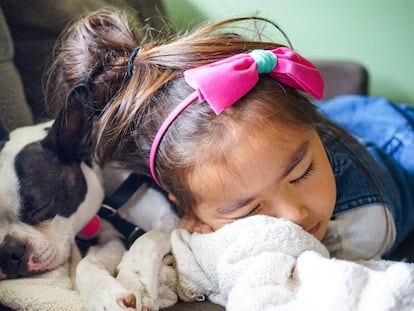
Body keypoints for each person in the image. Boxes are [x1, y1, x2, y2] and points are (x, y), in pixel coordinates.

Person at [45, 8, 414, 261]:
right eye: (248, 210)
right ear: (188, 212)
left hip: (393, 136)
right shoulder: (181, 178)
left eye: (303, 173)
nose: (295, 214)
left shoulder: (365, 226)